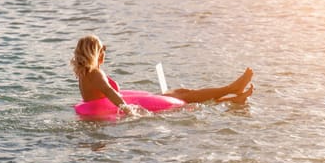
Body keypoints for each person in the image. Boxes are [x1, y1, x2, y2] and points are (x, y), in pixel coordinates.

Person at [71, 35, 254, 112]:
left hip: (103, 110)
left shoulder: (84, 74)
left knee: (182, 93)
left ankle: (232, 97)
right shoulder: (95, 73)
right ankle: (231, 90)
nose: (105, 53)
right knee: (186, 99)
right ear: (96, 53)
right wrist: (129, 111)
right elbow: (110, 93)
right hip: (113, 111)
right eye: (103, 49)